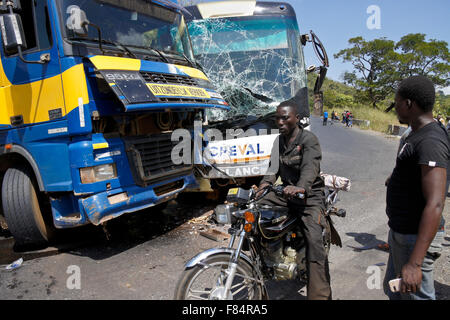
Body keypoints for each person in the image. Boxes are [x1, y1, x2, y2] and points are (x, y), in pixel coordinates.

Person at [383, 75, 449, 300]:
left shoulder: (431, 141)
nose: (396, 108)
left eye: (397, 102)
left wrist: (415, 263)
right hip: (402, 233)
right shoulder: (415, 135)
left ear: (409, 104)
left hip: (415, 238)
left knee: (416, 297)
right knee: (394, 292)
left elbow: (436, 203)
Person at [257, 102, 331, 300]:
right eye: (277, 118)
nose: (280, 122)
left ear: (296, 118)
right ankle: (262, 266)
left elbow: (310, 169)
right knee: (252, 216)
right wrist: (264, 186)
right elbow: (272, 170)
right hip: (286, 193)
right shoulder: (278, 141)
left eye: (285, 118)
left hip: (309, 196)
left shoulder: (309, 140)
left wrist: (301, 186)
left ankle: (320, 296)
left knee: (315, 243)